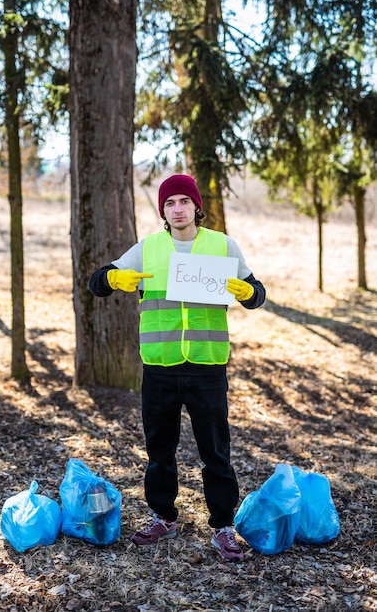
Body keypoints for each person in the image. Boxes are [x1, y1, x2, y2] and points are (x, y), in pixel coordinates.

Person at [88, 174, 266, 562]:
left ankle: (222, 527)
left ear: (196, 207)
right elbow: (96, 282)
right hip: (161, 367)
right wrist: (114, 278)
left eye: (185, 201)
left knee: (216, 453)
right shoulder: (149, 247)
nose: (178, 208)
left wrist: (249, 292)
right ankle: (163, 517)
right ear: (163, 211)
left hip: (207, 367)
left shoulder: (222, 245)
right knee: (159, 451)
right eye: (170, 203)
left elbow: (257, 295)